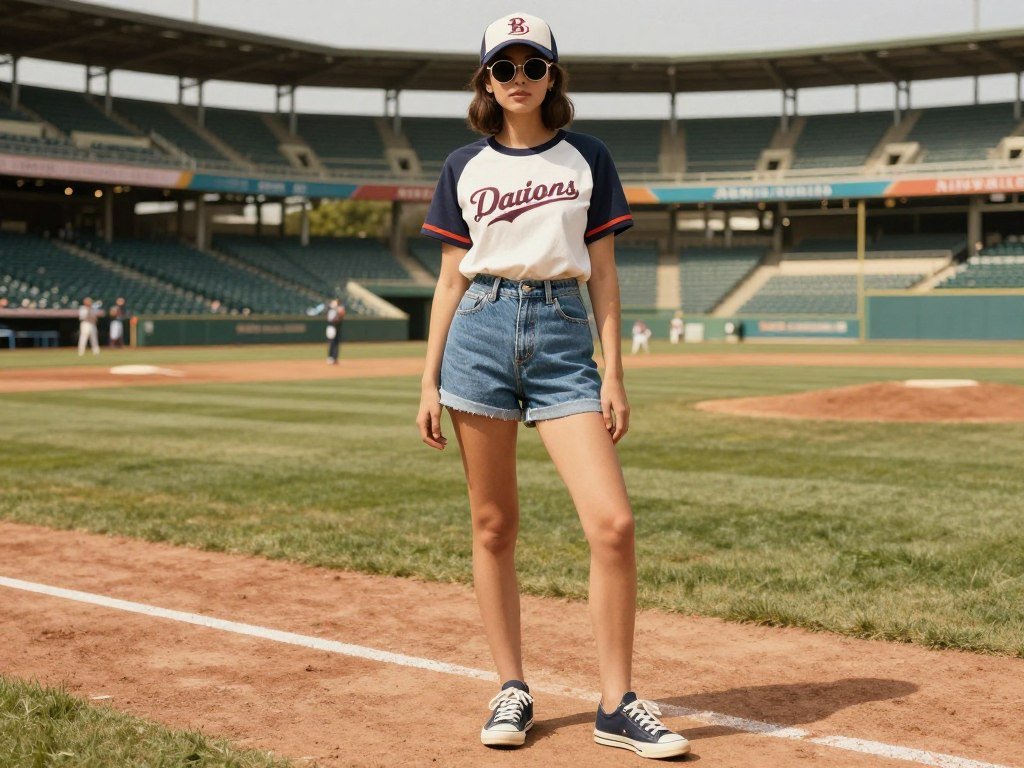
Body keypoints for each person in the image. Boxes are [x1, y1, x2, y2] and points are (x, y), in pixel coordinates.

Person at [416, 12, 689, 760]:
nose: (518, 80)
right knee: (494, 526)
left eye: (532, 66)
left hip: (565, 337)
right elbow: (446, 283)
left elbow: (602, 274)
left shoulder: (587, 157)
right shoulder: (461, 168)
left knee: (613, 524)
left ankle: (616, 703)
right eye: (503, 68)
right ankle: (512, 685)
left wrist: (615, 375)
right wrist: (428, 379)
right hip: (478, 331)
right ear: (485, 80)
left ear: (553, 76)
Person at [325, 299, 345, 364]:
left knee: (336, 342)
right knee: (331, 342)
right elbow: (331, 319)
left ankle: (335, 358)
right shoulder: (331, 310)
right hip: (332, 328)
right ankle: (330, 357)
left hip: (337, 328)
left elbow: (341, 315)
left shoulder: (339, 309)